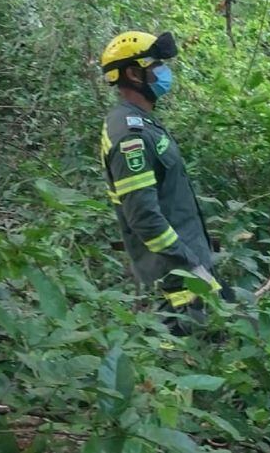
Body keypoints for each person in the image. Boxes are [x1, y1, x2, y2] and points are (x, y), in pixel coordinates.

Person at [98, 30, 223, 334]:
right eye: (156, 66)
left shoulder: (142, 123)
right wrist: (191, 265)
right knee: (187, 361)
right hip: (176, 276)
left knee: (217, 348)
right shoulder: (130, 135)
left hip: (188, 266)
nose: (164, 73)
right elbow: (144, 216)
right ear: (133, 73)